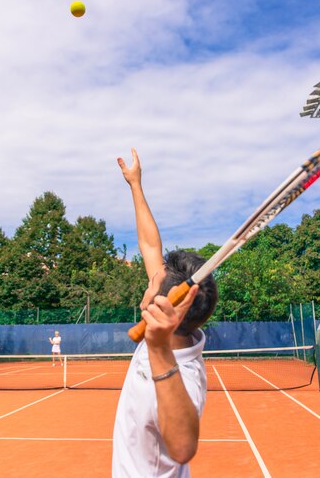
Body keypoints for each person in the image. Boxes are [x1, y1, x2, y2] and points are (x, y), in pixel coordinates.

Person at [112, 148, 219, 477]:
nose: (149, 277)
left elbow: (184, 448)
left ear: (167, 305)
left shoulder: (184, 375)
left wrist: (157, 347)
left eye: (153, 279)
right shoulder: (165, 329)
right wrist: (135, 185)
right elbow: (149, 245)